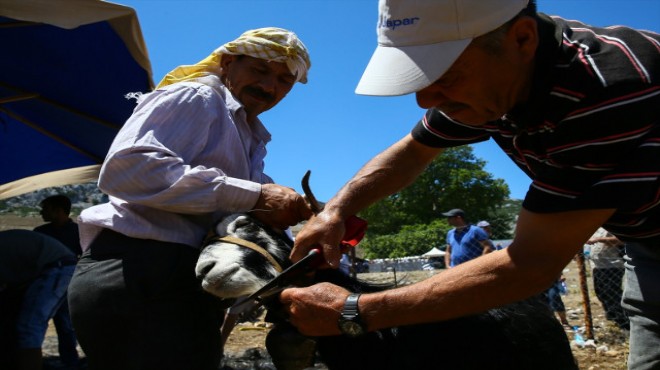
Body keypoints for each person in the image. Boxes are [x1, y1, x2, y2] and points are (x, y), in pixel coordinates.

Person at [281, 1, 659, 369]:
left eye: (443, 74)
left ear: (523, 39)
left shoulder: (607, 92)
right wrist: (335, 211)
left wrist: (354, 312)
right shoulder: (500, 79)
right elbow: (412, 152)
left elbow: (532, 262)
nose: (424, 99)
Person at [68, 27, 313, 370]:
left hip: (177, 277)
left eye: (284, 80)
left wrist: (301, 212)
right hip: (138, 269)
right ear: (228, 63)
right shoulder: (198, 97)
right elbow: (128, 168)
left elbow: (245, 198)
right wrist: (256, 195)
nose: (270, 87)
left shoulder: (248, 133)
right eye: (259, 71)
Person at [0, 229, 77, 370]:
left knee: (29, 326)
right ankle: (70, 363)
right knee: (65, 324)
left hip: (57, 267)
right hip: (58, 266)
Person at [34, 195, 82, 369]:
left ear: (58, 210)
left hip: (68, 286)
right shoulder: (41, 232)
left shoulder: (77, 232)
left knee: (64, 325)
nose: (41, 212)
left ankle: (69, 361)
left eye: (45, 208)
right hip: (45, 284)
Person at [587, 227, 630, 330]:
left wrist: (599, 240)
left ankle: (624, 322)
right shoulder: (595, 226)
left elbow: (622, 240)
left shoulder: (613, 226)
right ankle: (613, 317)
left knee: (611, 293)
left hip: (612, 265)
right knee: (600, 293)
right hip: (597, 266)